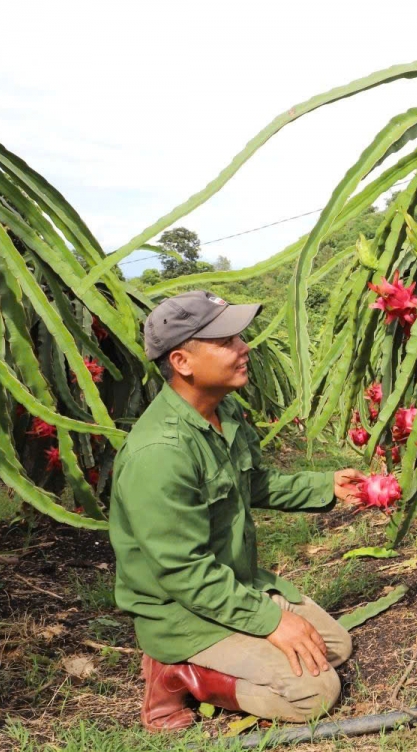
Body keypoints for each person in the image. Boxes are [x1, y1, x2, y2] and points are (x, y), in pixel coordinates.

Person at [109, 291, 366, 731]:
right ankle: (174, 674)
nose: (243, 347)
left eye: (239, 336)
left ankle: (239, 639)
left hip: (233, 584)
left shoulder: (222, 411)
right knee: (314, 694)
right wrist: (270, 621)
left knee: (335, 647)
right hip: (181, 611)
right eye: (225, 340)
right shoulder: (159, 454)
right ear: (182, 362)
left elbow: (254, 482)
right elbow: (185, 573)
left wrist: (326, 486)